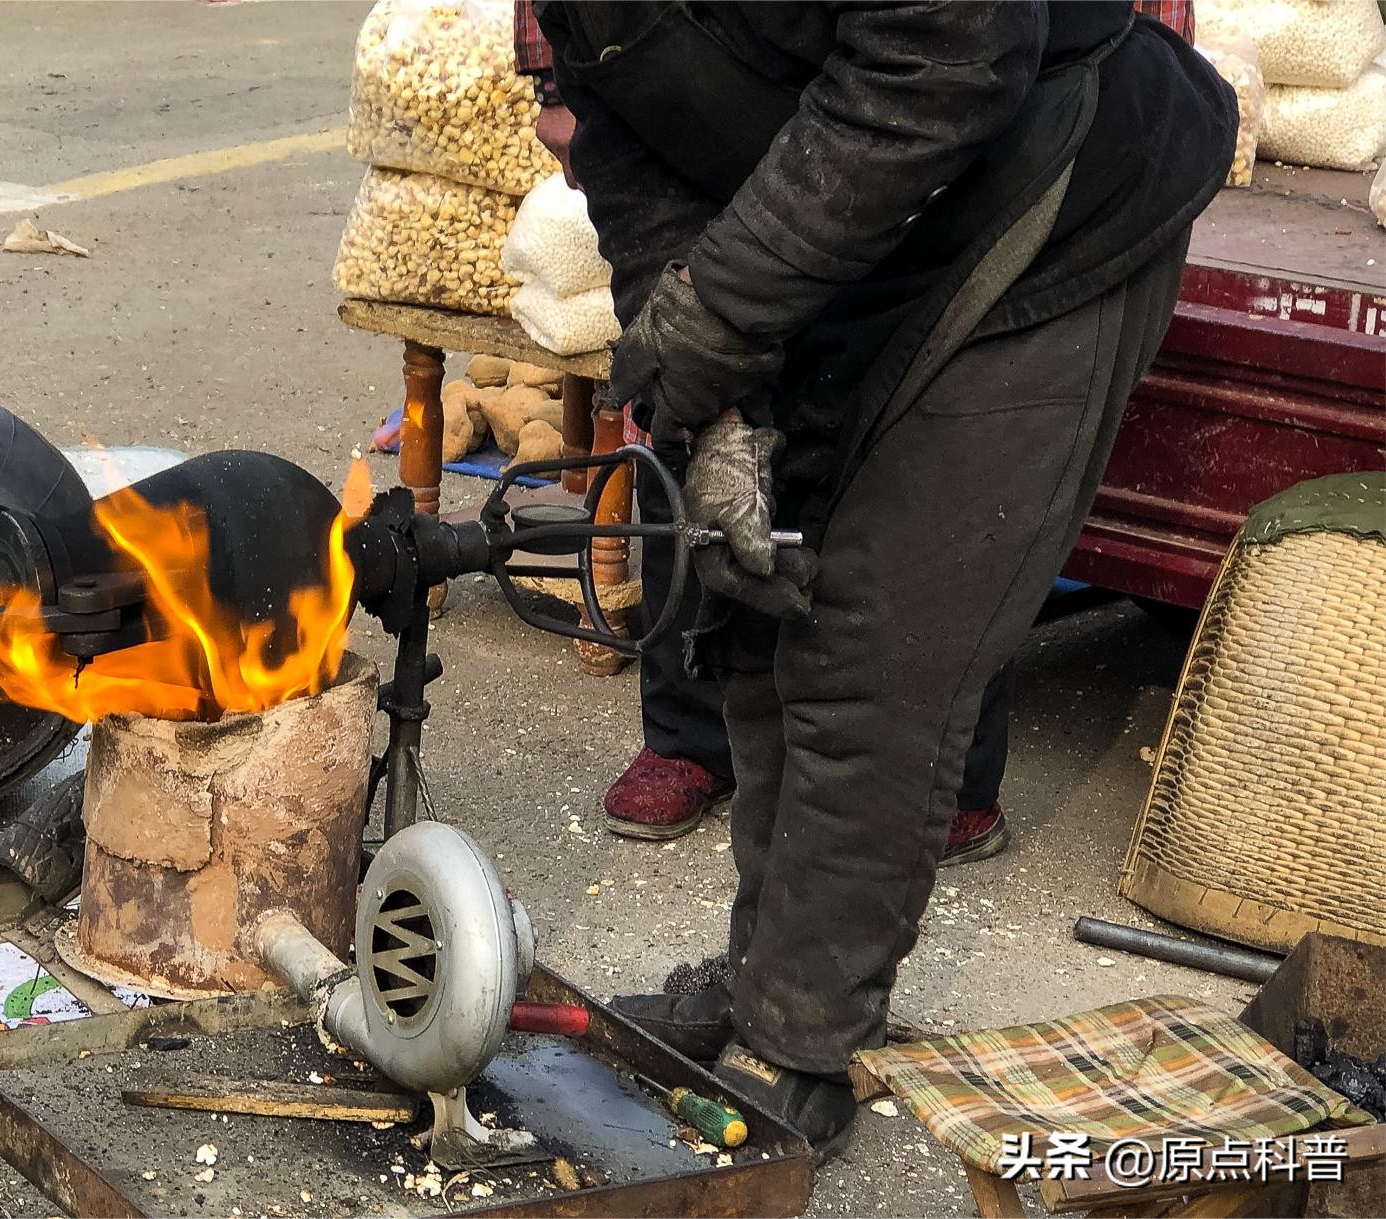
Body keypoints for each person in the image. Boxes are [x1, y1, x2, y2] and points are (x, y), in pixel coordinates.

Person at [523, 0, 1234, 1154]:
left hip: (1042, 203)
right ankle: (768, 975)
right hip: (843, 216)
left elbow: (941, 60)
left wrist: (724, 308)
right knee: (755, 603)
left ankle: (800, 1040)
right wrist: (703, 357)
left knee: (875, 651)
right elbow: (620, 126)